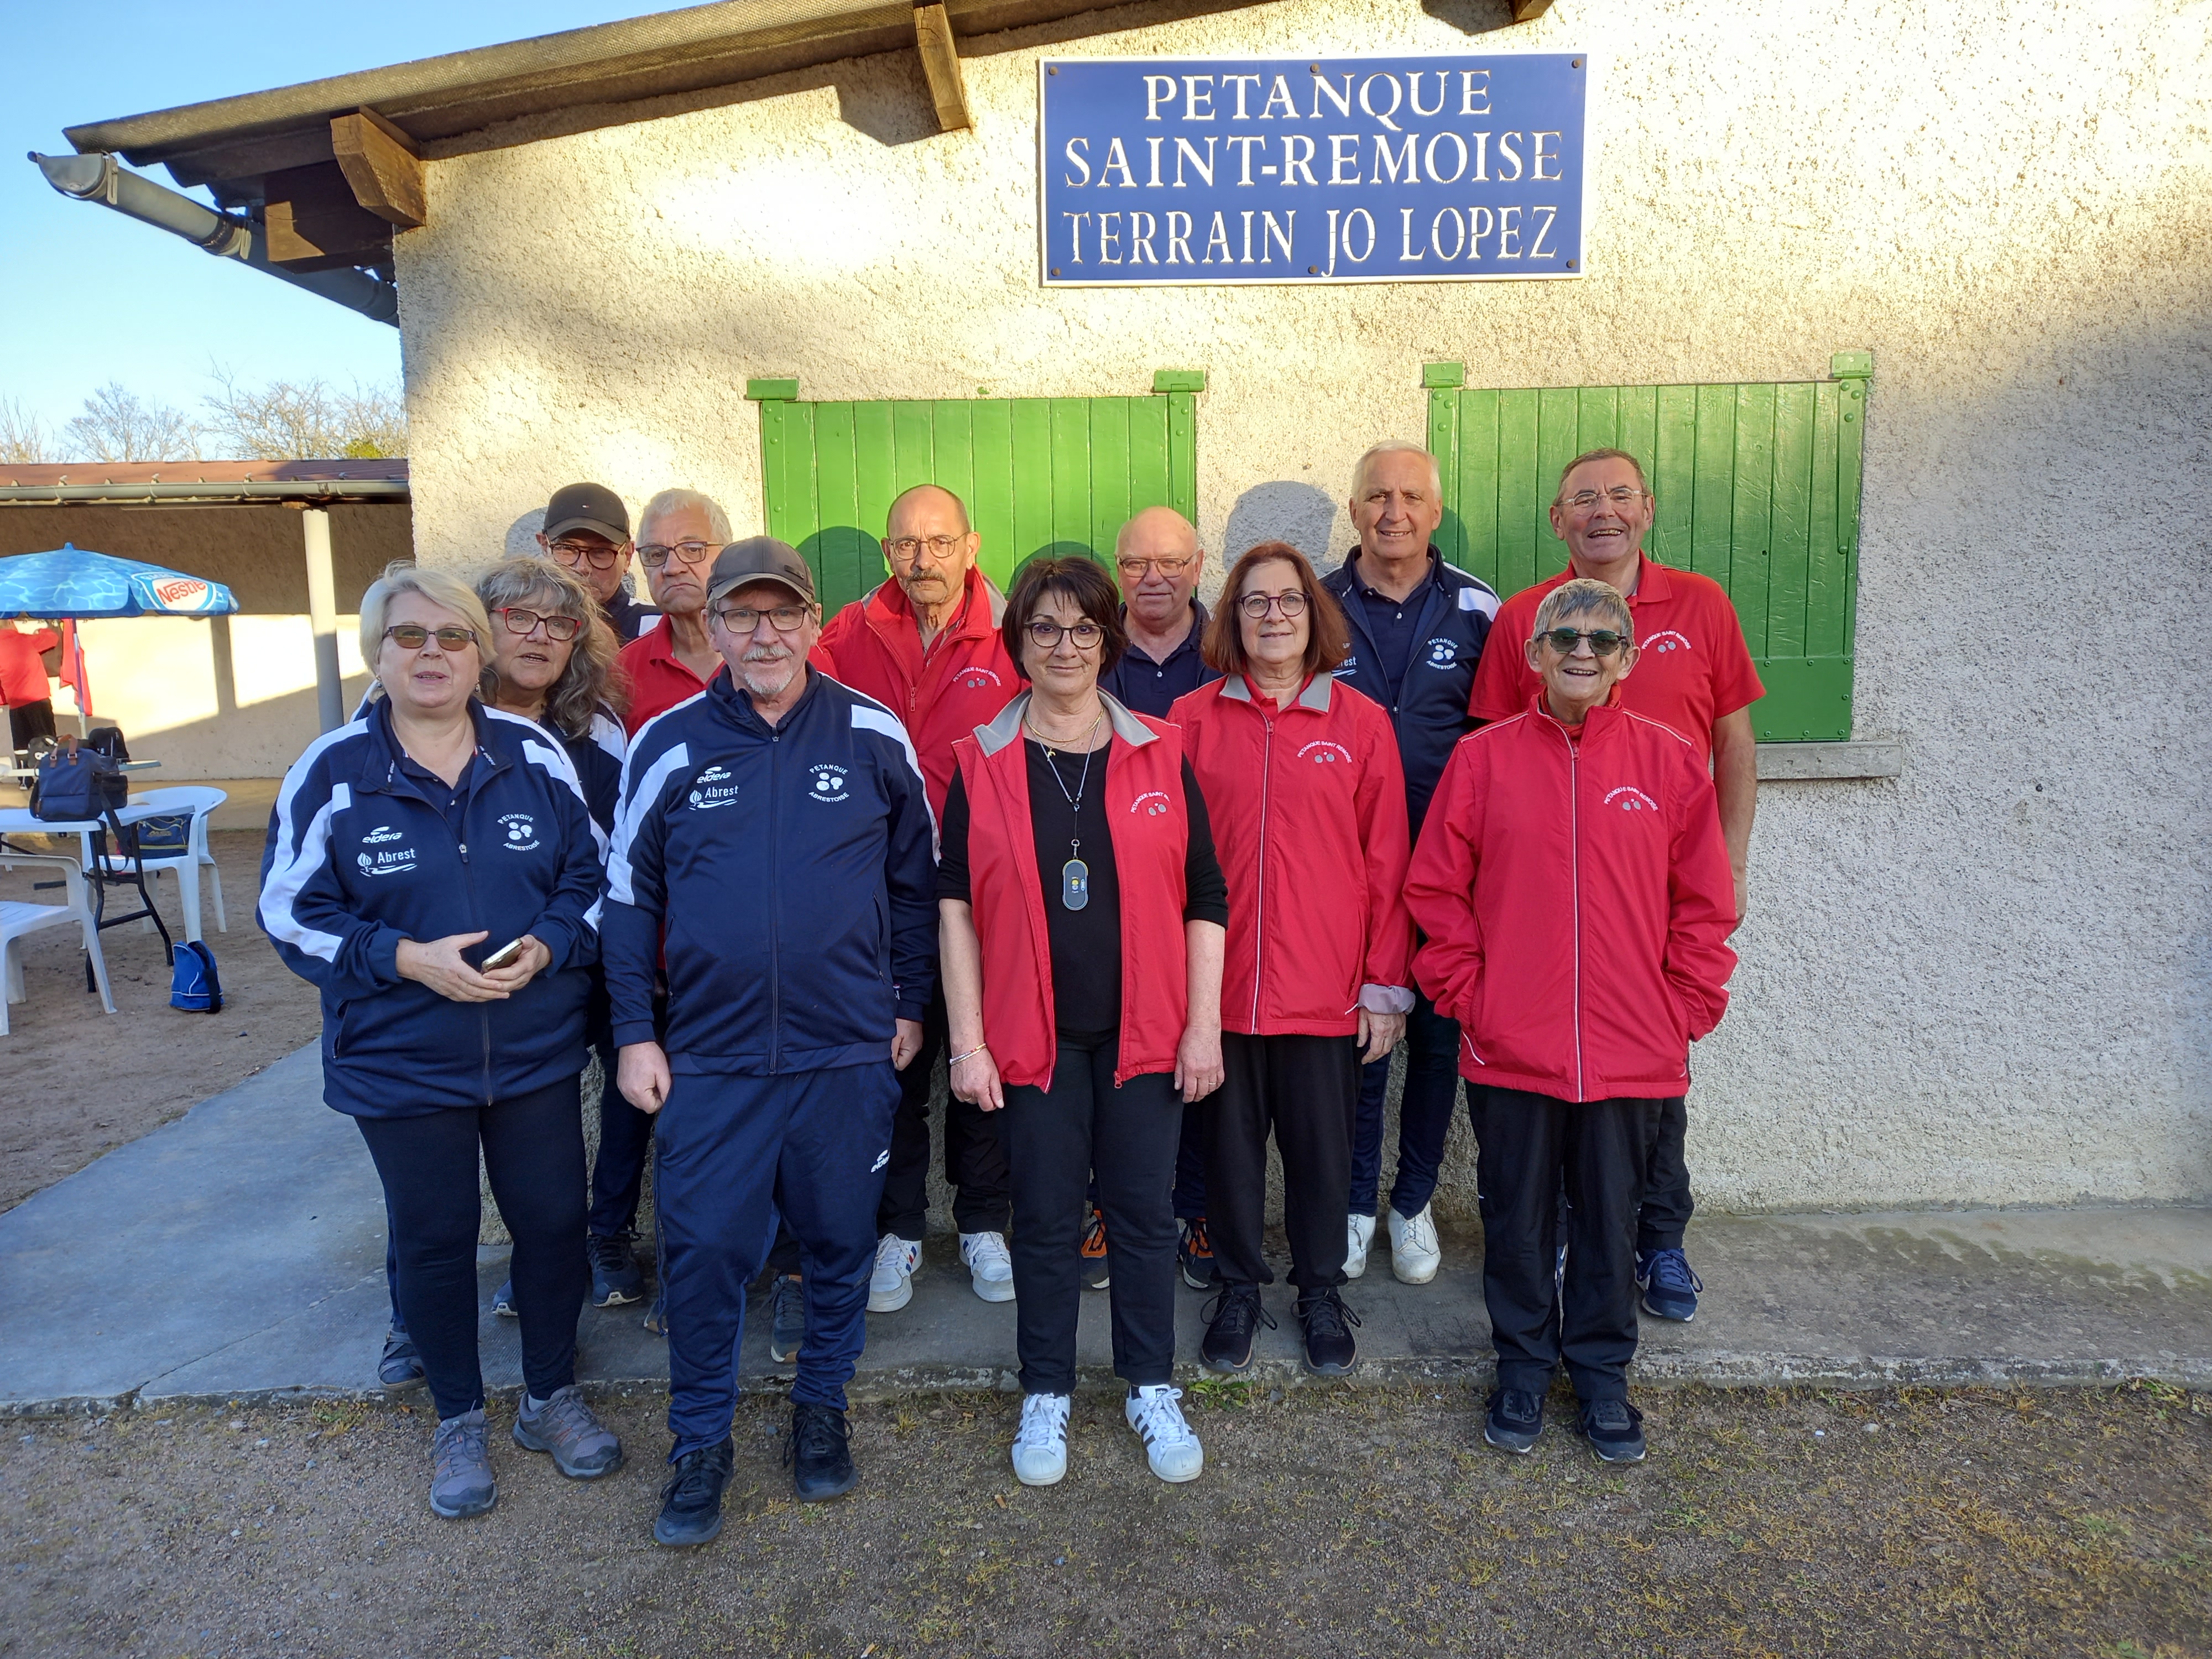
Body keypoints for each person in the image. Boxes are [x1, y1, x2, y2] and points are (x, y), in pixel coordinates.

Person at [259, 561, 619, 1520]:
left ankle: (550, 1397)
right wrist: (407, 958)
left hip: (533, 1053)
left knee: (550, 1225)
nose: (432, 653)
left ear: (479, 652)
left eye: (452, 636)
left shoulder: (532, 756)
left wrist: (547, 946)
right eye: (409, 636)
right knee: (435, 1237)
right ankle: (459, 1417)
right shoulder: (333, 772)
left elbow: (595, 877)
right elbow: (290, 913)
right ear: (378, 653)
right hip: (403, 1061)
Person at [605, 538, 937, 1542]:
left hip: (846, 1053)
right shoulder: (666, 742)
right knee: (703, 1253)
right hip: (712, 1057)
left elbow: (918, 886)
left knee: (840, 1241)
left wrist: (910, 1007)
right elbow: (626, 900)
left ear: (811, 621)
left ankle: (821, 1411)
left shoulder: (874, 734)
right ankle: (700, 1440)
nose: (763, 633)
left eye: (781, 613)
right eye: (741, 614)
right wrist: (634, 1035)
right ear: (711, 623)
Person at [1407, 577, 1738, 1463]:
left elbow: (1705, 903)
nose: (1581, 652)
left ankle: (1601, 1378)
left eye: (1601, 639)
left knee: (1610, 1222)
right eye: (1565, 638)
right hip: (1513, 1046)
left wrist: (1686, 1004)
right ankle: (1520, 1368)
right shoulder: (1485, 761)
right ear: (1534, 653)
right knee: (1515, 1223)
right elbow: (1435, 892)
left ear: (1627, 658)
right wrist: (1470, 994)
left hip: (1635, 1052)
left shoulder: (1670, 762)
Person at [938, 556, 1227, 1487]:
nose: (1065, 646)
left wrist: (1203, 1029)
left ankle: (1149, 1382)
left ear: (1108, 640)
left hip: (1146, 1033)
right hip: (1035, 1040)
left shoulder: (1160, 750)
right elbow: (952, 910)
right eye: (1044, 629)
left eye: (1083, 628)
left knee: (1144, 1216)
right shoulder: (980, 759)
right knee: (1052, 1218)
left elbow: (1206, 898)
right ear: (1019, 642)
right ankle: (1047, 1393)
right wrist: (968, 1041)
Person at [1466, 449, 1764, 1323]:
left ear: (1649, 509)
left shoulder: (1701, 604)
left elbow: (1736, 743)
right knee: (1561, 1102)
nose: (1604, 511)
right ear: (1557, 521)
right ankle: (1564, 1245)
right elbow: (1492, 764)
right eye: (1583, 499)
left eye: (1620, 495)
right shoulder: (1526, 616)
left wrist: (1733, 859)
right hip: (1549, 901)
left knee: (1652, 1095)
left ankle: (1659, 1240)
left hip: (1658, 884)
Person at [1173, 543, 1412, 1378]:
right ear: (1231, 619)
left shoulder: (1361, 724)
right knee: (1228, 1157)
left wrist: (1385, 987)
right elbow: (1164, 860)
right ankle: (1239, 1287)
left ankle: (1317, 1290)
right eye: (1254, 602)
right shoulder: (1191, 722)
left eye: (1290, 601)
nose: (1273, 615)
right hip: (1224, 994)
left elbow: (1387, 862)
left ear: (1315, 616)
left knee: (1323, 1155)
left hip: (1326, 992)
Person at [812, 483, 1018, 1312]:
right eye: (906, 544)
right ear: (888, 553)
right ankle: (897, 1230)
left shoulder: (1013, 634)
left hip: (986, 892)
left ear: (970, 547)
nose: (922, 560)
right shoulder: (844, 636)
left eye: (939, 543)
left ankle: (982, 1223)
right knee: (892, 1064)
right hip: (876, 897)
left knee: (985, 1056)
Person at [1321, 441, 1499, 1290]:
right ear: (1353, 511)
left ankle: (1412, 1202)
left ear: (1435, 511)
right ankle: (1355, 1207)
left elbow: (1506, 741)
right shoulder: (1313, 607)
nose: (1393, 513)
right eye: (1375, 496)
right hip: (1343, 873)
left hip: (1451, 875)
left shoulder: (1478, 610)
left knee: (1435, 1041)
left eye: (1410, 498)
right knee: (1359, 1043)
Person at [1096, 505, 1223, 1291]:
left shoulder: (1230, 651)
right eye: (1137, 563)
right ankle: (1108, 1207)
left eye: (1171, 562)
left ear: (1199, 565)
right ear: (1118, 571)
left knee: (1204, 1054)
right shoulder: (1090, 650)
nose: (1154, 577)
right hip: (1107, 886)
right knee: (1109, 1055)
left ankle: (1197, 1209)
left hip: (1208, 878)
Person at [617, 489, 732, 733]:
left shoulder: (785, 652)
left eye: (692, 549)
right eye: (656, 554)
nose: (672, 568)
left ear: (727, 556)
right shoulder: (624, 671)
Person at [538, 481, 659, 643]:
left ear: (628, 556)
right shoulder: (516, 626)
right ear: (545, 547)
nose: (582, 568)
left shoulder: (659, 628)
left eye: (601, 552)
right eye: (567, 548)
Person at [0, 617, 61, 754]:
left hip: (15, 704)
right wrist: (42, 630)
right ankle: (50, 774)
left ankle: (24, 775)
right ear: (10, 623)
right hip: (37, 699)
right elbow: (52, 639)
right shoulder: (23, 640)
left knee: (22, 748)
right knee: (47, 742)